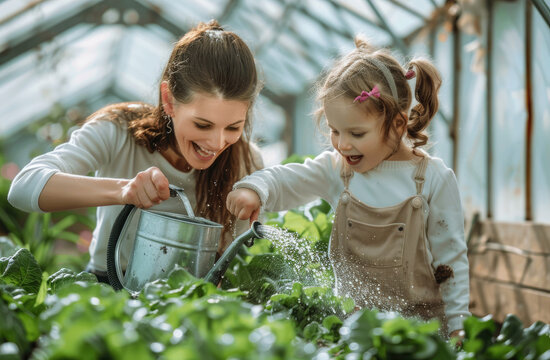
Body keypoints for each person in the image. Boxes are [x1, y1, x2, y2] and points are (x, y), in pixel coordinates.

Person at [226, 36, 470, 338]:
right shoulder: (337, 171)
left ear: (397, 124)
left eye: (356, 132)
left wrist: (460, 328)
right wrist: (253, 188)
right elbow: (284, 180)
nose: (342, 144)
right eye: (334, 130)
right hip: (352, 336)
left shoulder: (433, 179)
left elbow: (451, 262)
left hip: (422, 339)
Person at [8, 20, 263, 284]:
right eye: (202, 124)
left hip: (191, 303)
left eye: (233, 127)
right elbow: (24, 187)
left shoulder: (247, 161)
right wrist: (124, 190)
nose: (217, 142)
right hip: (108, 287)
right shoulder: (118, 131)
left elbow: (243, 260)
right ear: (169, 101)